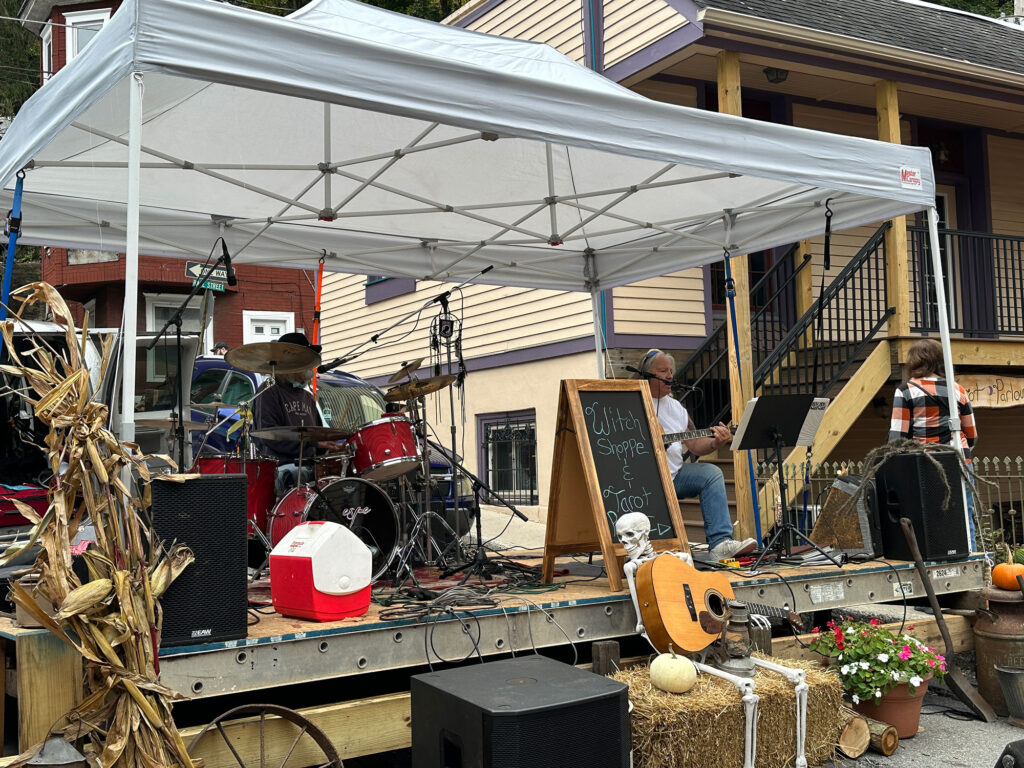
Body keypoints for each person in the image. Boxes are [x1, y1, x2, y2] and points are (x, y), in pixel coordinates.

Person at [638, 349, 757, 561]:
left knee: (711, 473)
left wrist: (716, 441)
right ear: (647, 374)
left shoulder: (676, 408)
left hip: (674, 477)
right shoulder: (632, 399)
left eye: (671, 371)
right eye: (663, 371)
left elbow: (694, 445)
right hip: (641, 482)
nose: (669, 376)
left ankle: (720, 544)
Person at [888, 337, 978, 548]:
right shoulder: (958, 390)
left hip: (925, 464)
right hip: (960, 461)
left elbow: (897, 438)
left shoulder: (906, 390)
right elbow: (972, 434)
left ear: (914, 361)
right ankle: (972, 563)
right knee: (964, 516)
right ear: (940, 360)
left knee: (930, 519)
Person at [253, 332, 336, 496]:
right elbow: (268, 435)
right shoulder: (269, 391)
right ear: (291, 362)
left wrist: (333, 447)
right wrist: (314, 444)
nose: (310, 365)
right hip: (283, 468)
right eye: (305, 360)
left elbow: (316, 436)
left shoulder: (307, 397)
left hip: (308, 467)